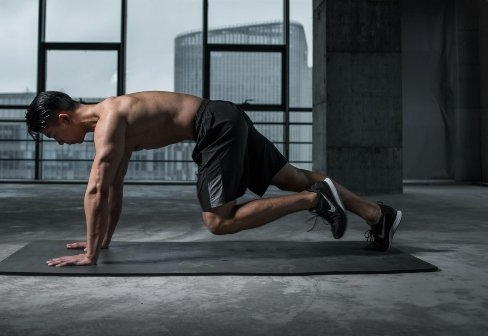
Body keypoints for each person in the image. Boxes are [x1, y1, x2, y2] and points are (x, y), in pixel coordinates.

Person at [24, 91, 402, 267]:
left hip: (215, 126)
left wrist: (90, 255)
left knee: (219, 221)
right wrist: (101, 241)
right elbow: (113, 187)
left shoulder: (108, 122)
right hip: (224, 116)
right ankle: (377, 215)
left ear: (64, 118)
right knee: (293, 176)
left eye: (54, 135)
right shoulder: (113, 118)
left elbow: (95, 189)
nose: (59, 143)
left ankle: (315, 200)